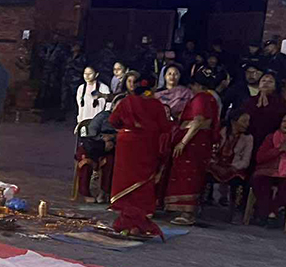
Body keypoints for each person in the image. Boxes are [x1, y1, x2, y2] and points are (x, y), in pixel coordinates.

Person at [108, 72, 173, 236]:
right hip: (147, 144)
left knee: (126, 175)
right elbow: (165, 127)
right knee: (144, 177)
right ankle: (144, 210)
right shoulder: (157, 104)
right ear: (152, 87)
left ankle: (123, 207)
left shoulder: (126, 101)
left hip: (126, 143)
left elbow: (113, 120)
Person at [163, 67, 222, 225]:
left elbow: (198, 121)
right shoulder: (209, 98)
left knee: (188, 175)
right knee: (191, 174)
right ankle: (185, 211)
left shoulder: (201, 98)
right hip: (198, 142)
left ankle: (187, 212)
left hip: (193, 143)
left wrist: (183, 142)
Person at [207, 111, 254, 213]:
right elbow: (211, 151)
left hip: (234, 167)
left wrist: (232, 167)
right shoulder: (221, 132)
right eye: (244, 121)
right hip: (217, 164)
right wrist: (214, 163)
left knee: (238, 180)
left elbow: (245, 161)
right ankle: (202, 203)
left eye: (248, 122)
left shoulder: (248, 138)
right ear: (233, 121)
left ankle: (235, 210)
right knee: (205, 173)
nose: (247, 124)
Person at [239, 72, 286, 150]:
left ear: (275, 86)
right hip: (249, 138)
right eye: (263, 81)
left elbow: (277, 120)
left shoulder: (280, 102)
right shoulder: (251, 100)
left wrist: (266, 107)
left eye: (270, 81)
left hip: (269, 139)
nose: (266, 83)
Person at [75, 64, 112, 132]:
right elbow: (80, 107)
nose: (87, 76)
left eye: (90, 73)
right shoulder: (81, 88)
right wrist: (79, 122)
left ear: (96, 74)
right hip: (84, 122)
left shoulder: (104, 88)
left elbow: (108, 106)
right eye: (85, 73)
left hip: (99, 123)